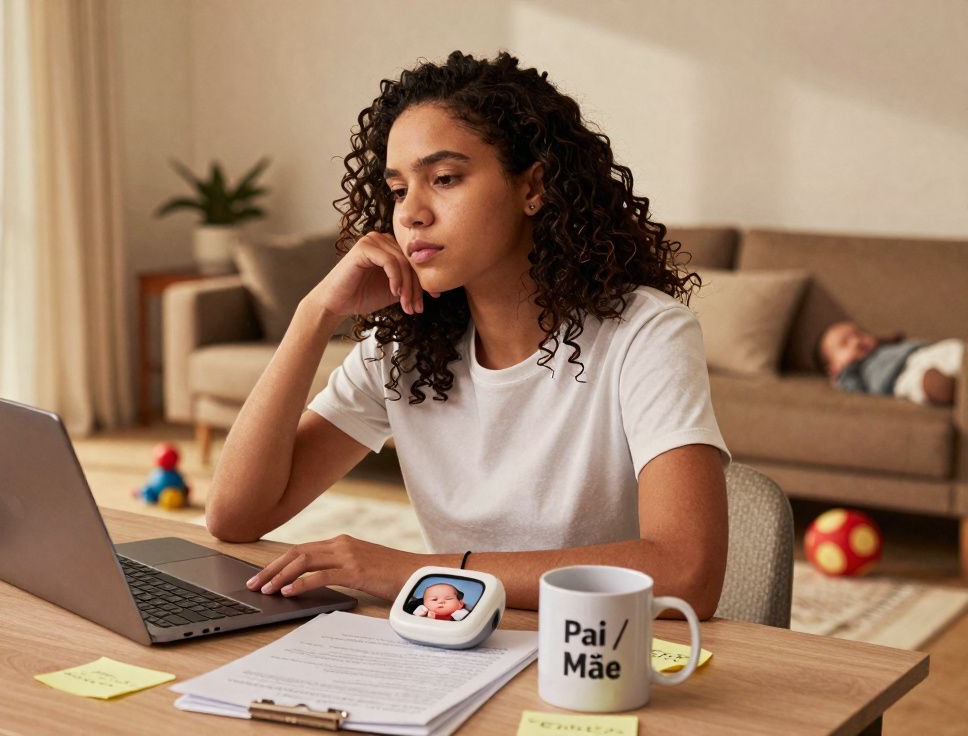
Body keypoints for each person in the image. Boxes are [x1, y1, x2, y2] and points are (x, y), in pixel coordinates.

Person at [205, 51, 730, 619]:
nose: (410, 215)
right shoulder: (404, 350)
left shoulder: (646, 334)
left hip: (599, 658)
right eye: (400, 190)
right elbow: (235, 516)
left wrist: (416, 571)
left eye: (445, 178)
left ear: (533, 186)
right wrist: (314, 314)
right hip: (459, 648)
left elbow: (686, 573)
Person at [815, 321, 960, 406]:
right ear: (833, 368)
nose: (856, 341)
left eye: (859, 334)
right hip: (900, 377)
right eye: (845, 343)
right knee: (919, 382)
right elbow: (855, 391)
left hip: (925, 353)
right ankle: (942, 387)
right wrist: (841, 376)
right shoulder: (853, 373)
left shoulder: (882, 347)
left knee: (954, 348)